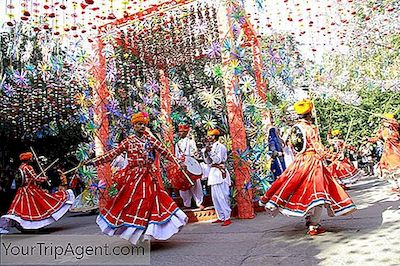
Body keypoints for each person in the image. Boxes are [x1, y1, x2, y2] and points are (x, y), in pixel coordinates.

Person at [87, 112, 187, 245]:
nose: (142, 127)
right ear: (133, 126)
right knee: (133, 204)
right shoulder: (128, 141)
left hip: (149, 177)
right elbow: (112, 154)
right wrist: (94, 161)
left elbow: (165, 152)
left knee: (151, 203)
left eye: (144, 124)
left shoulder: (151, 140)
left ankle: (147, 232)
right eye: (139, 124)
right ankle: (136, 234)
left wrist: (177, 161)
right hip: (133, 178)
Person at [259, 99, 356, 236]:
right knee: (318, 194)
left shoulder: (294, 128)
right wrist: (335, 157)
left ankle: (309, 218)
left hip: (299, 162)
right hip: (313, 163)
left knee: (301, 190)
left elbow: (291, 147)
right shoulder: (310, 129)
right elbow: (319, 149)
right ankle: (313, 225)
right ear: (309, 113)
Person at [0, 152, 74, 233]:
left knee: (23, 208)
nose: (32, 159)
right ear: (28, 159)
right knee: (38, 206)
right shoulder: (28, 167)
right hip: (30, 189)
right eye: (31, 158)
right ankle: (33, 226)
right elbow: (35, 178)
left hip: (22, 190)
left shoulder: (20, 167)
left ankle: (27, 226)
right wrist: (44, 179)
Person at [205, 129, 232, 226]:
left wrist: (210, 152)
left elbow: (218, 160)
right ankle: (220, 217)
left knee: (222, 196)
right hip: (213, 173)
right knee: (215, 197)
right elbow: (207, 162)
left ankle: (227, 217)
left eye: (211, 136)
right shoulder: (209, 147)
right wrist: (206, 153)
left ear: (215, 136)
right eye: (208, 136)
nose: (209, 138)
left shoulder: (221, 147)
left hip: (220, 173)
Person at [175, 124, 204, 210]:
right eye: (179, 132)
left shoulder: (191, 142)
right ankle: (186, 203)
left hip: (191, 165)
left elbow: (194, 153)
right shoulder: (178, 144)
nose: (180, 133)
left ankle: (199, 202)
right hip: (182, 166)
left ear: (186, 132)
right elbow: (177, 155)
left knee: (196, 184)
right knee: (183, 185)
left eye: (182, 132)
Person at [368, 113, 400, 192]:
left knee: (397, 169)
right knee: (384, 169)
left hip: (395, 151)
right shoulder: (383, 131)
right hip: (387, 152)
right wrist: (368, 139)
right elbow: (375, 139)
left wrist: (387, 119)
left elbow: (395, 123)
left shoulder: (395, 129)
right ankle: (395, 186)